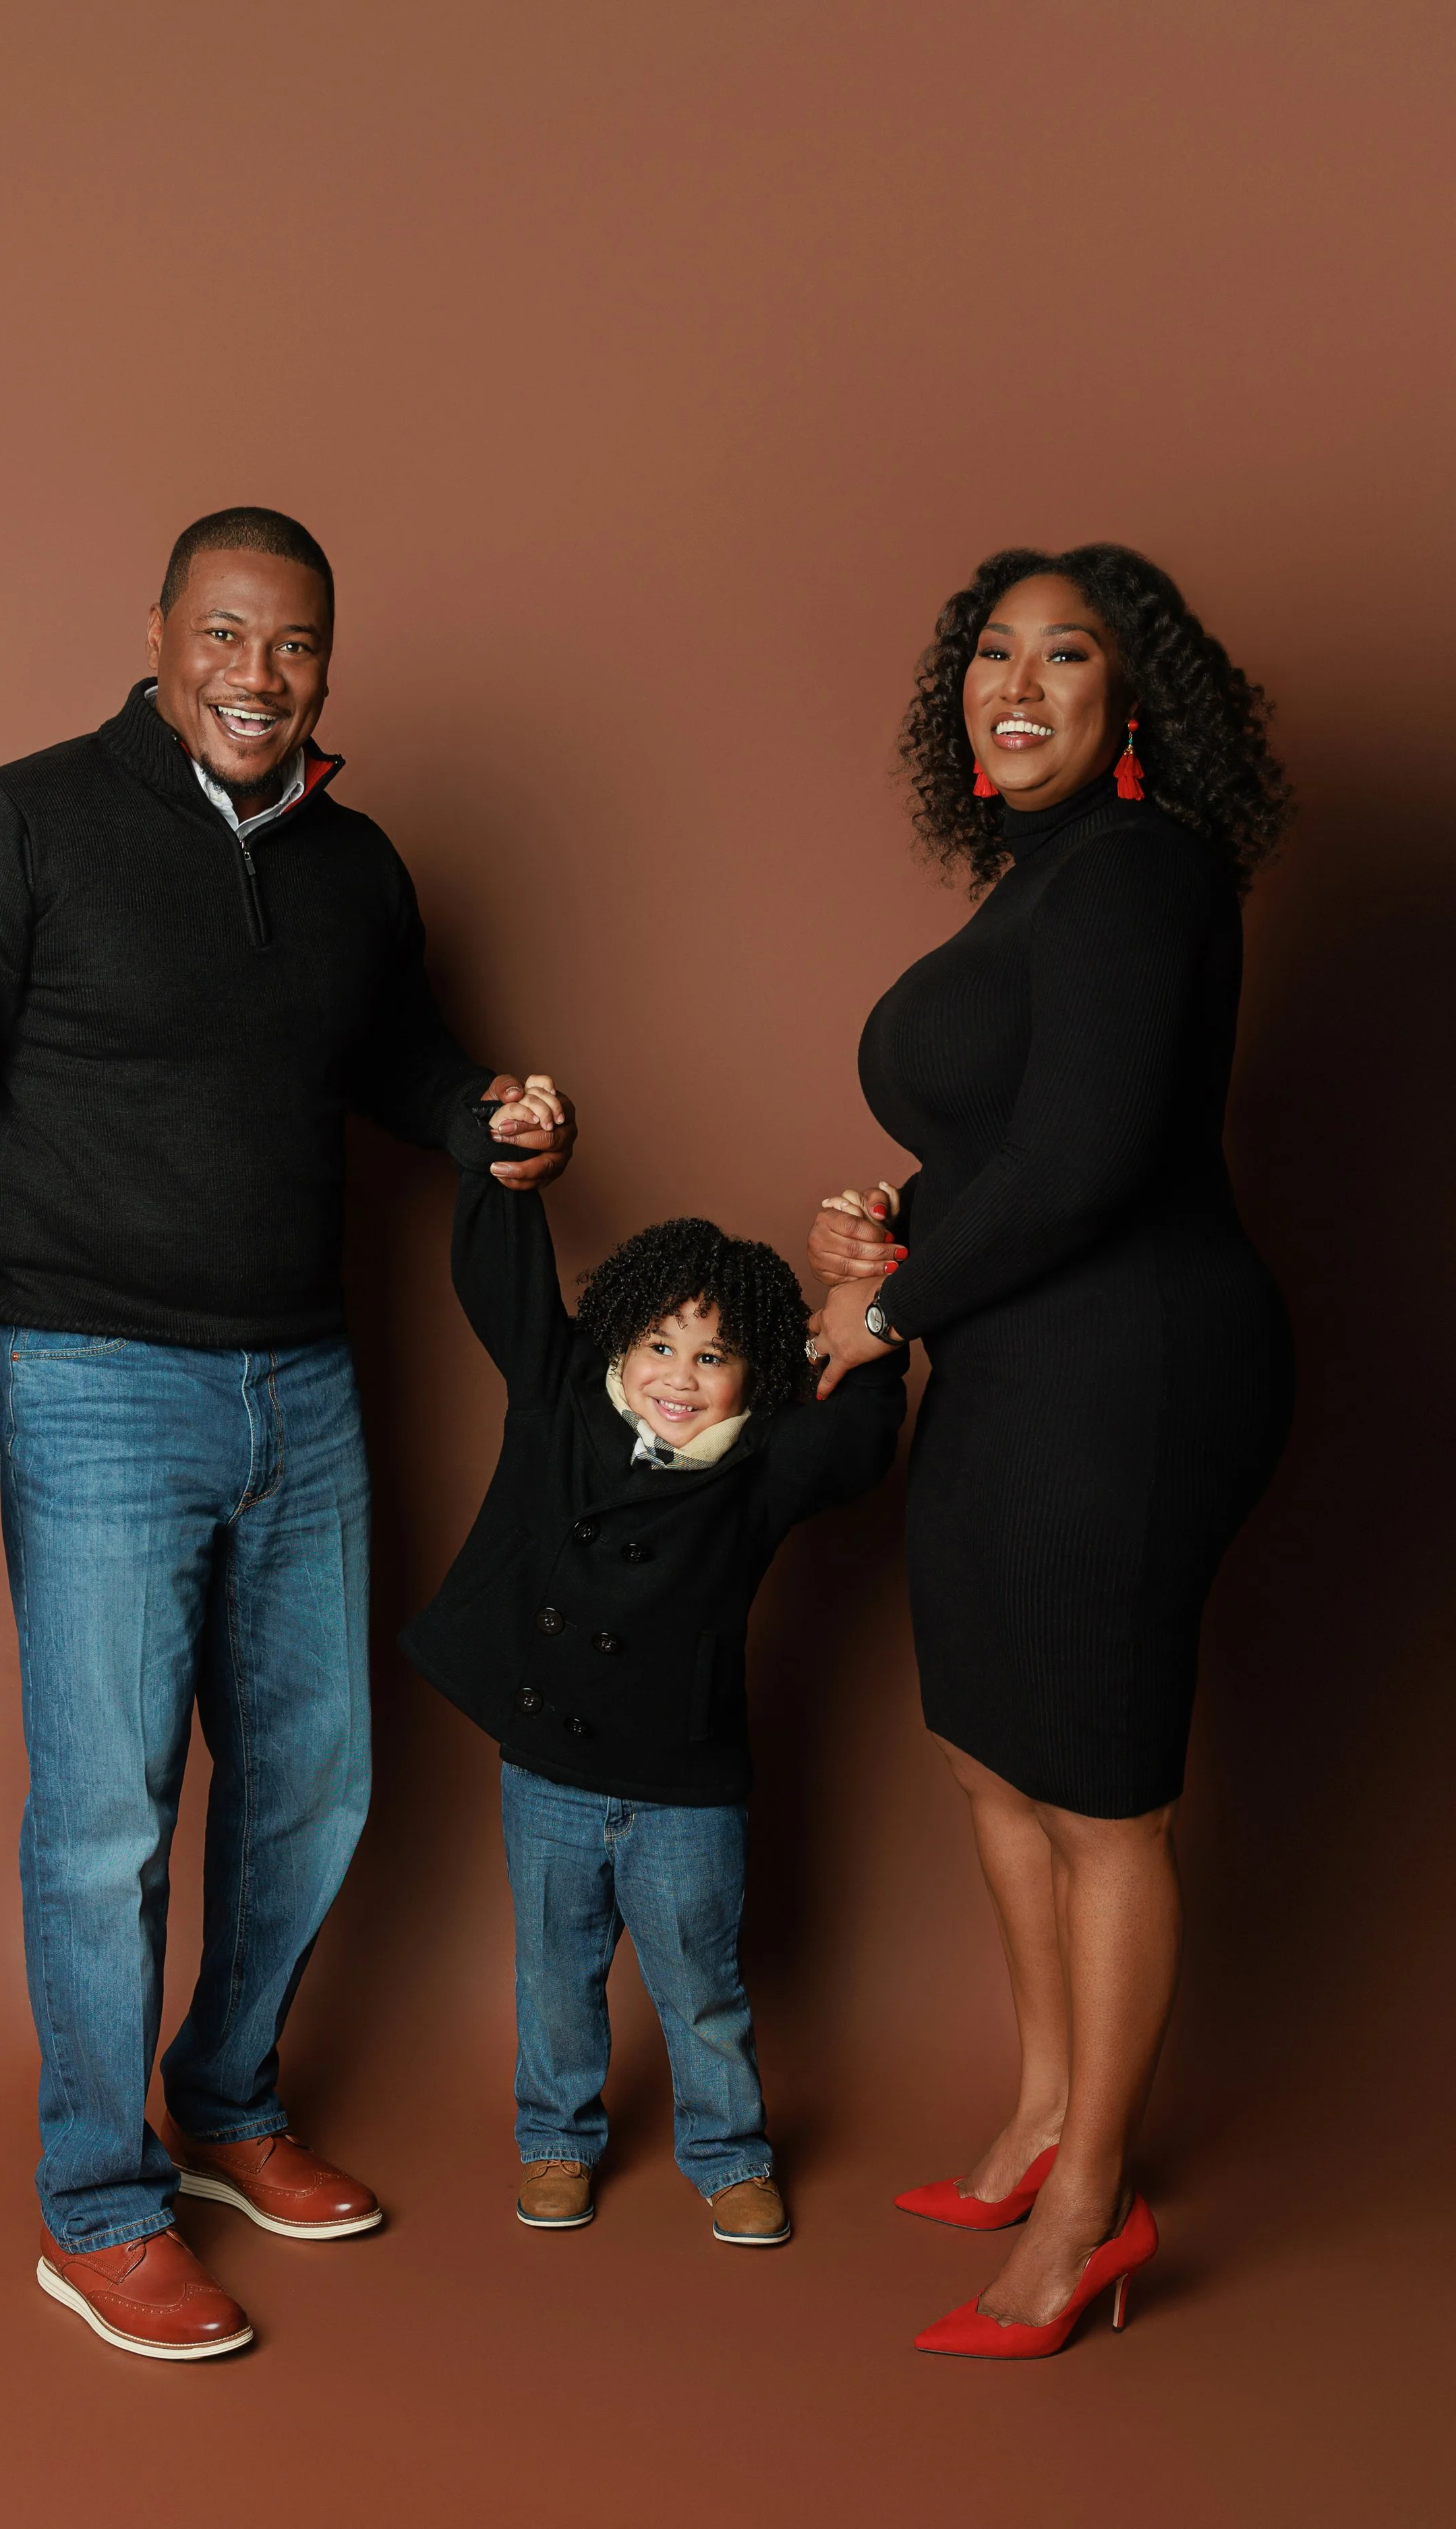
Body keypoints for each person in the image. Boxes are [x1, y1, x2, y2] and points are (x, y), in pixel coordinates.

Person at [0, 506, 577, 2361]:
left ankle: (228, 2096)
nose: (259, 674)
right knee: (107, 1816)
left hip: (301, 1383)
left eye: (295, 643)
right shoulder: (20, 823)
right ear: (158, 633)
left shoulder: (354, 865)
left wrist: (486, 1116)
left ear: (326, 661)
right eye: (226, 634)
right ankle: (99, 2202)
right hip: (92, 1381)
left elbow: (395, 1060)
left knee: (316, 1778)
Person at [807, 543, 1293, 2358]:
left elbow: (1091, 1164)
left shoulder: (1140, 870)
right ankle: (1034, 2114)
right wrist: (901, 1224)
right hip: (1019, 1360)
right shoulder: (1043, 876)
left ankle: (1093, 2204)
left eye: (1062, 655)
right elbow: (1025, 1138)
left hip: (1133, 1373)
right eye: (990, 652)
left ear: (1130, 696)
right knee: (986, 1752)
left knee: (1097, 1796)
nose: (1013, 686)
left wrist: (888, 1314)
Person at [400, 1093, 908, 2243]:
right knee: (554, 1974)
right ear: (621, 1344)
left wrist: (877, 1316)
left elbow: (859, 1442)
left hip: (686, 1780)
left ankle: (729, 2152)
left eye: (713, 1356)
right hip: (547, 1766)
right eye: (660, 1346)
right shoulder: (559, 1399)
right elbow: (503, 1283)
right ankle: (556, 2139)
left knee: (702, 1984)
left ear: (754, 1374)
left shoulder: (763, 1465)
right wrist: (500, 1155)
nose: (680, 1376)